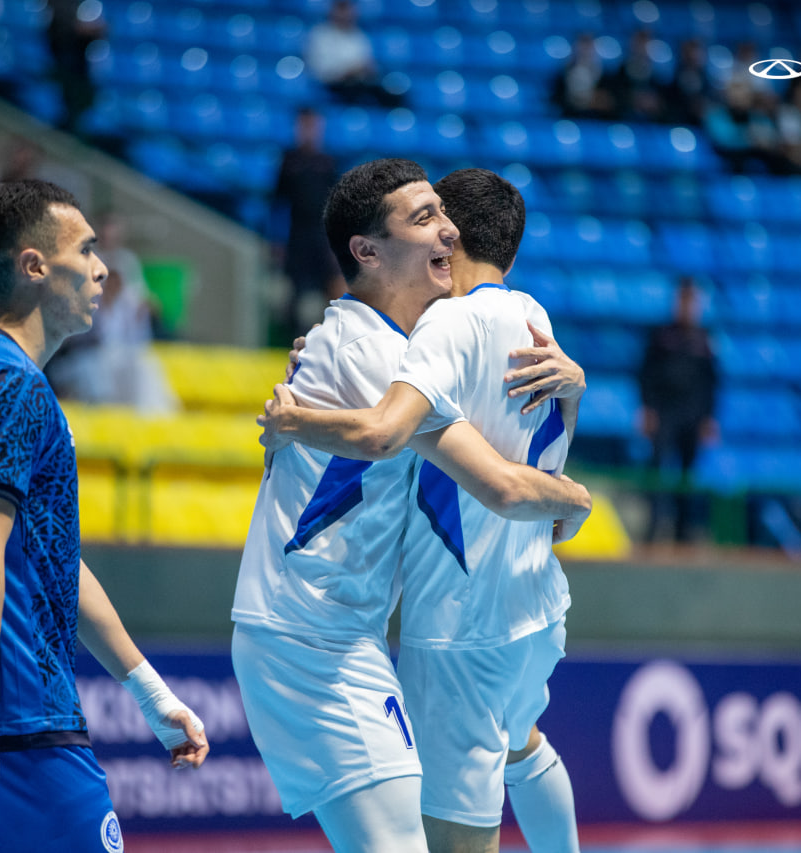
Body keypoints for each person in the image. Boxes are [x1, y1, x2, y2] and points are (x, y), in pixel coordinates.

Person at [234, 159, 592, 853]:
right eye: (425, 218)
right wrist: (574, 496)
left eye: (446, 216)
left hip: (359, 629)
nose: (447, 232)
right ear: (366, 251)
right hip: (309, 633)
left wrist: (575, 378)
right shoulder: (385, 348)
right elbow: (499, 482)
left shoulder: (400, 341)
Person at [0, 180, 208, 851]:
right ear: (36, 265)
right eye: (88, 250)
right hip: (13, 728)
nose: (103, 268)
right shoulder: (9, 384)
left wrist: (151, 694)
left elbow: (47, 560)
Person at [638, 277, 718, 544]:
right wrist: (647, 410)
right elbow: (645, 375)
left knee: (687, 476)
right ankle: (653, 530)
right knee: (657, 472)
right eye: (682, 300)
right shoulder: (661, 336)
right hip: (664, 415)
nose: (686, 307)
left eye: (691, 301)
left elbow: (712, 383)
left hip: (692, 418)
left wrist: (709, 418)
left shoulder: (705, 340)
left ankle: (682, 535)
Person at [272, 106, 342, 344]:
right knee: (295, 291)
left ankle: (329, 340)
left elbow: (336, 204)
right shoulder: (289, 161)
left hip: (322, 237)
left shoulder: (328, 162)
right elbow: (277, 204)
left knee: (330, 289)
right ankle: (291, 340)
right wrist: (277, 241)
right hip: (296, 236)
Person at [305, 0, 404, 108]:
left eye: (348, 9)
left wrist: (367, 70)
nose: (346, 13)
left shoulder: (359, 36)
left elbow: (368, 65)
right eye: (341, 8)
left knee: (393, 94)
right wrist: (347, 71)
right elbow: (320, 70)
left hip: (359, 83)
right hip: (331, 86)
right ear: (332, 11)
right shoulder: (320, 35)